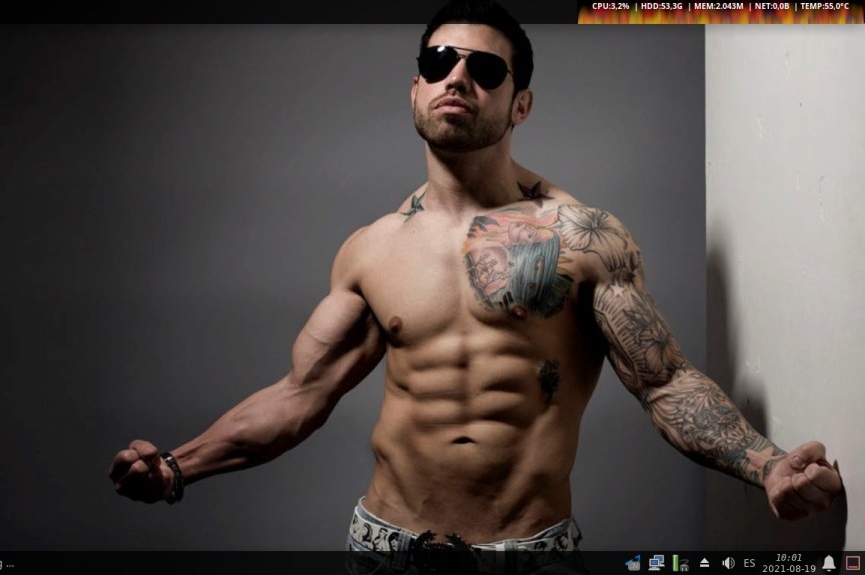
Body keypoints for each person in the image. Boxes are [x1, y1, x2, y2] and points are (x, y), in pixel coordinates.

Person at [109, 0, 844, 572]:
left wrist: (767, 465)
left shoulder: (582, 238)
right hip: (384, 547)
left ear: (520, 104)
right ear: (417, 88)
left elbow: (664, 382)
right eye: (439, 62)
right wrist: (177, 466)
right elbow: (302, 393)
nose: (458, 78)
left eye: (487, 69)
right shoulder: (371, 249)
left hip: (528, 555)